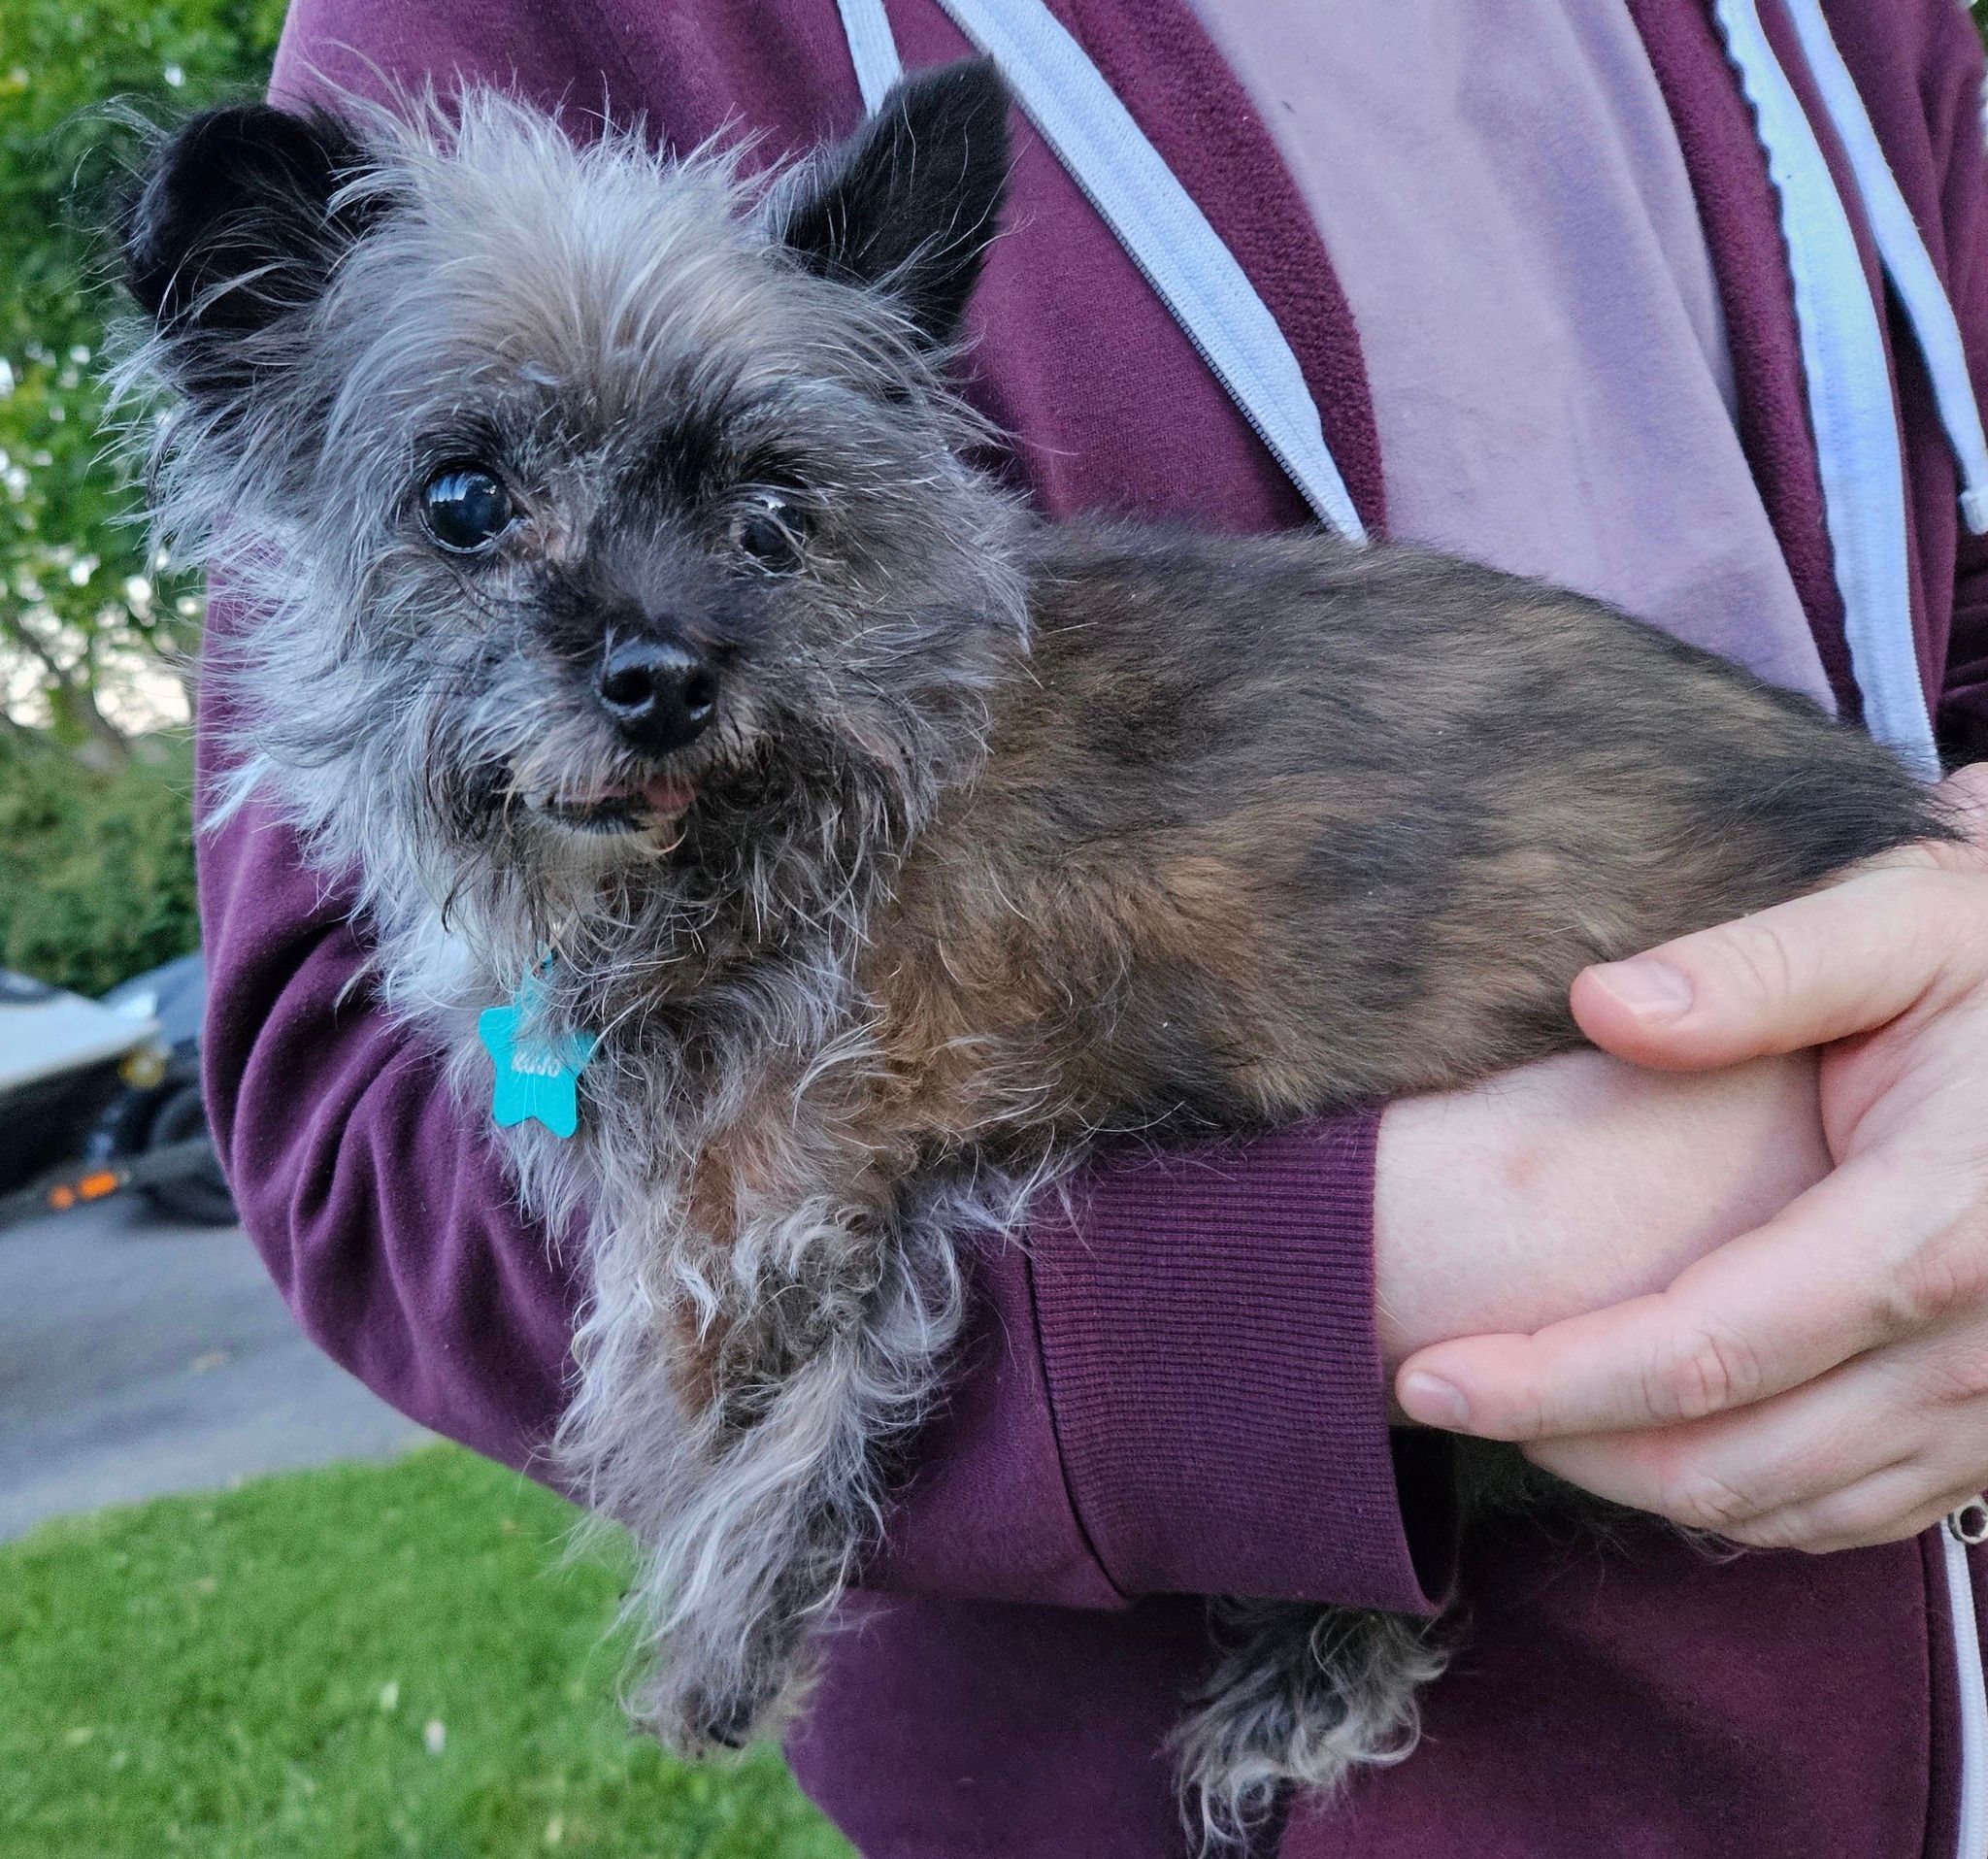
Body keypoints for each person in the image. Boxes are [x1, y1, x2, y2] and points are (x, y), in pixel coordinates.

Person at [199, 1, 1988, 1852]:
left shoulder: (1865, 28)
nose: (651, 644)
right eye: (478, 508)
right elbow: (365, 1135)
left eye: (764, 524)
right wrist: (1317, 1282)